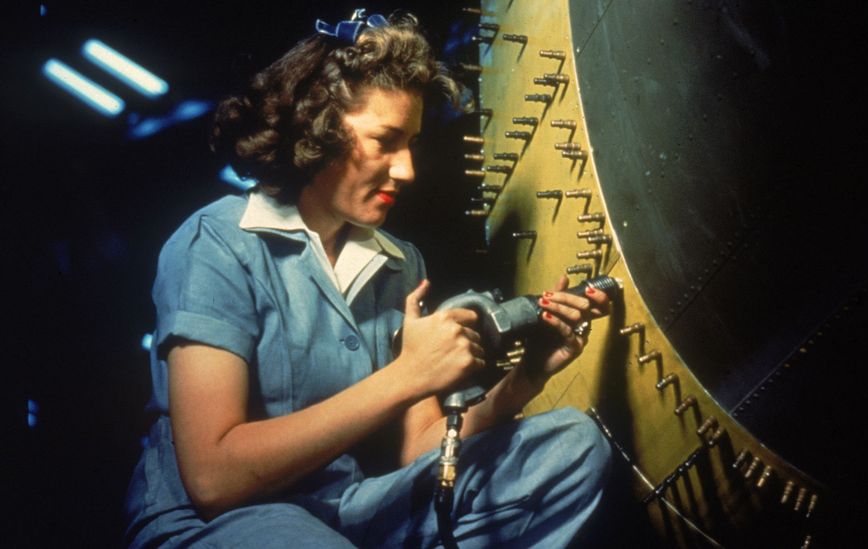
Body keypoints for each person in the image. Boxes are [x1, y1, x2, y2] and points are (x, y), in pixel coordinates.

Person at [124, 10, 611, 548]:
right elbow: (214, 479)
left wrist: (527, 377)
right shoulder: (216, 243)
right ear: (318, 130)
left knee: (572, 447)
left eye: (412, 144)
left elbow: (419, 449)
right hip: (225, 524)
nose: (407, 170)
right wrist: (406, 375)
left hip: (350, 512)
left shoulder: (400, 264)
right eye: (386, 140)